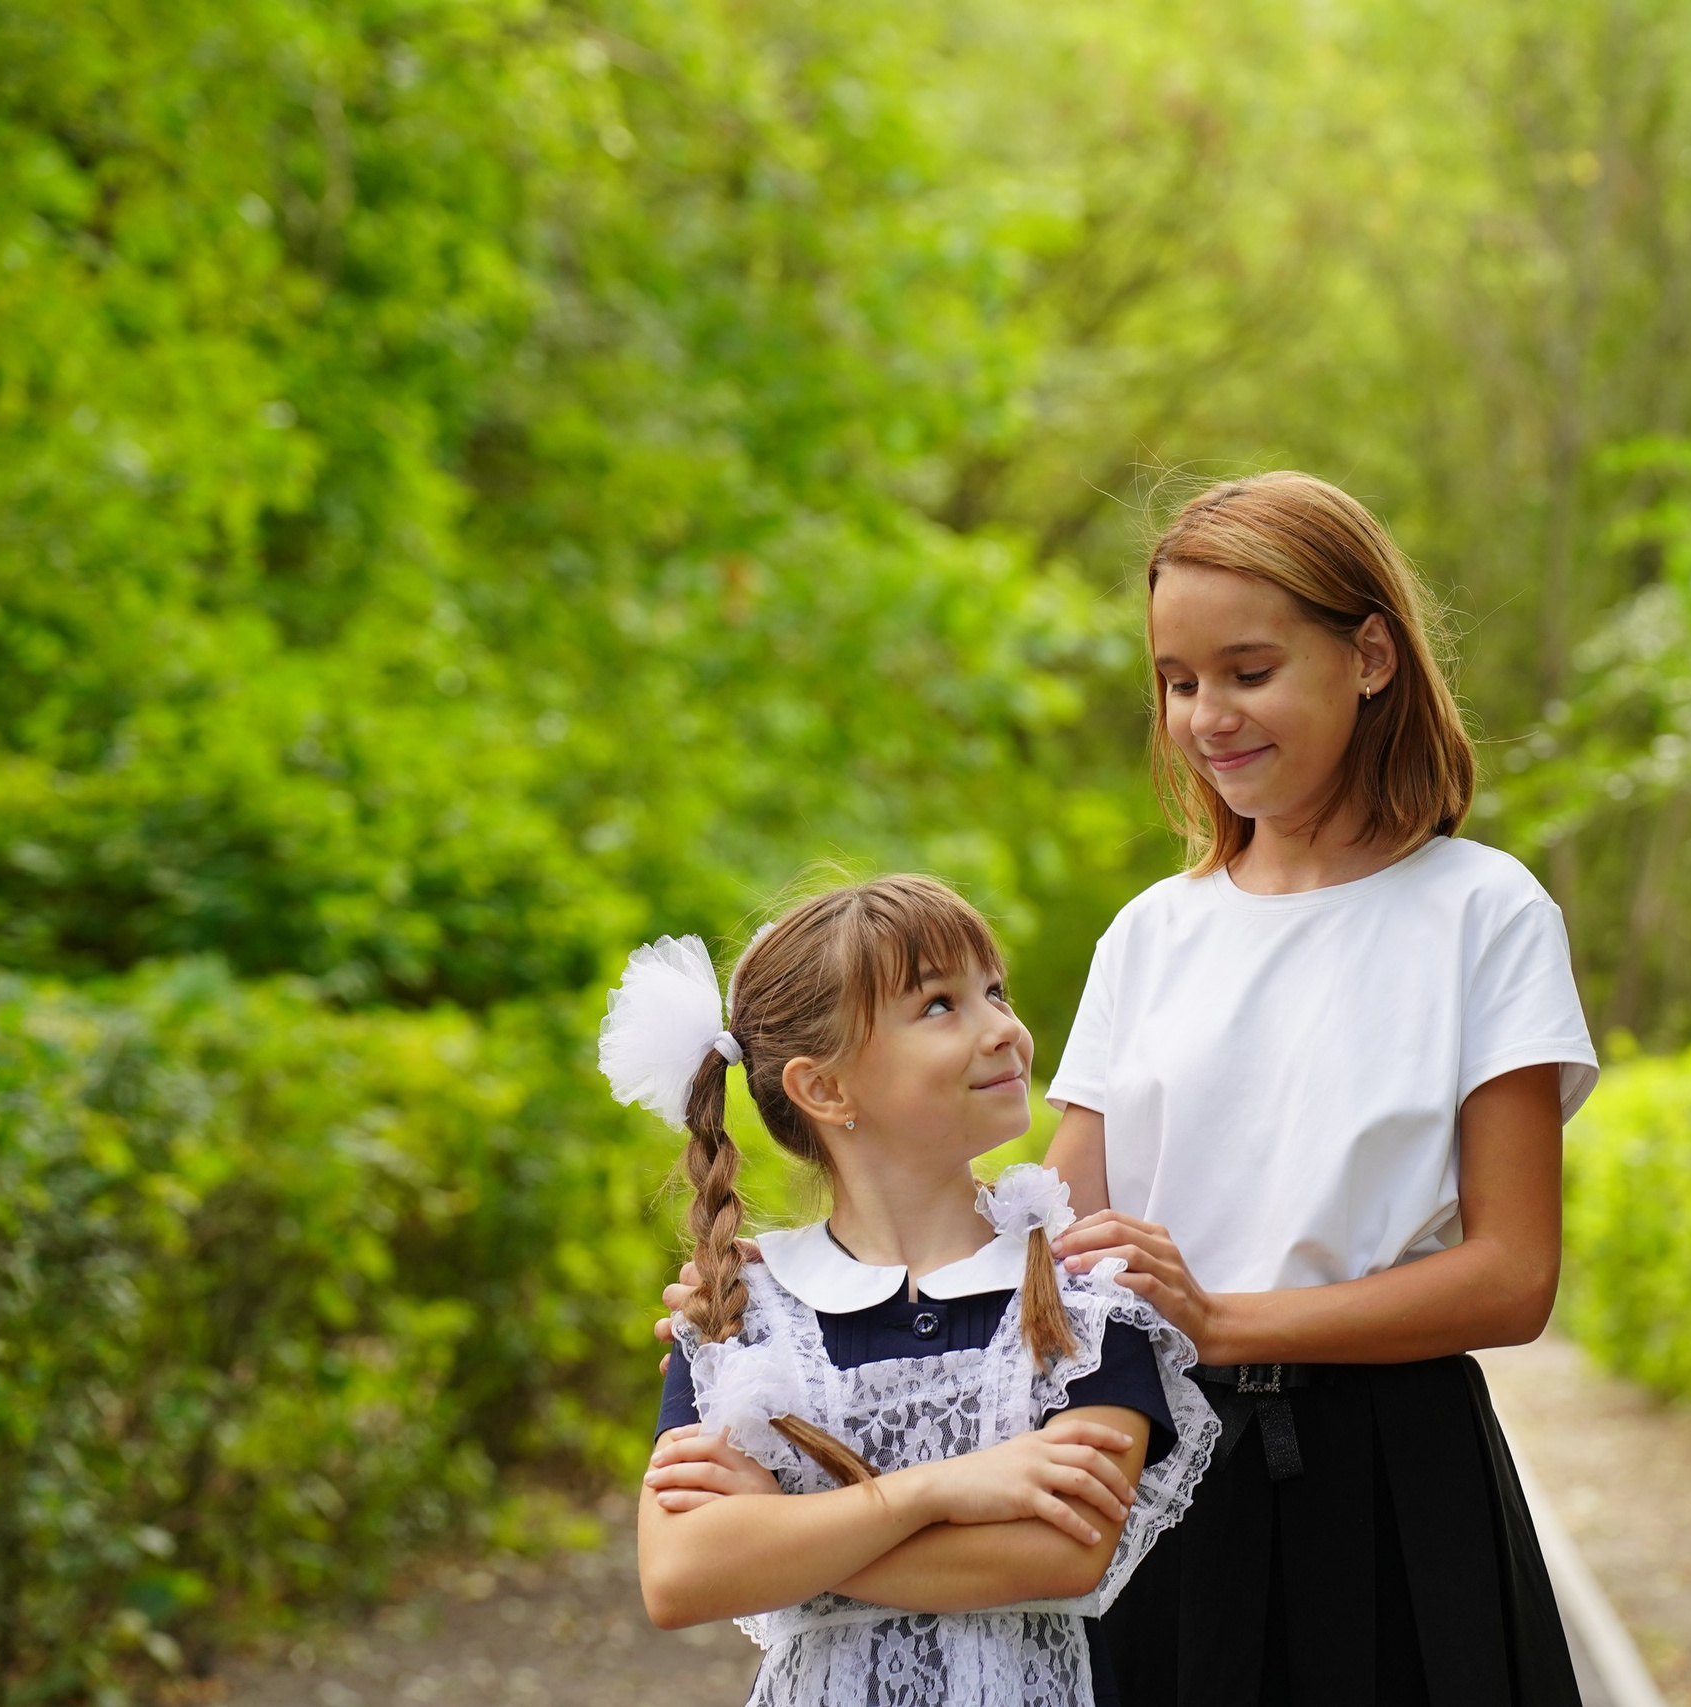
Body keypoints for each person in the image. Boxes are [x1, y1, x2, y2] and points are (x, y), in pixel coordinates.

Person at [1043, 473, 1598, 1706]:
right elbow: (1049, 1238)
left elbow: (1512, 1278)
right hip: (1152, 1477)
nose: (1204, 717)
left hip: (1397, 1491)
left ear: (1371, 656)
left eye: (1246, 672)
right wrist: (792, 1303)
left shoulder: (1482, 912)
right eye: (1177, 682)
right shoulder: (1146, 933)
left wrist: (1223, 1321)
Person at [614, 876, 1218, 1707]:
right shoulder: (742, 1312)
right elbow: (682, 1575)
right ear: (824, 1088)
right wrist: (943, 1488)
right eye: (941, 1005)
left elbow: (1063, 1548)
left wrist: (788, 1540)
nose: (1004, 1028)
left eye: (995, 990)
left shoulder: (1086, 1286)